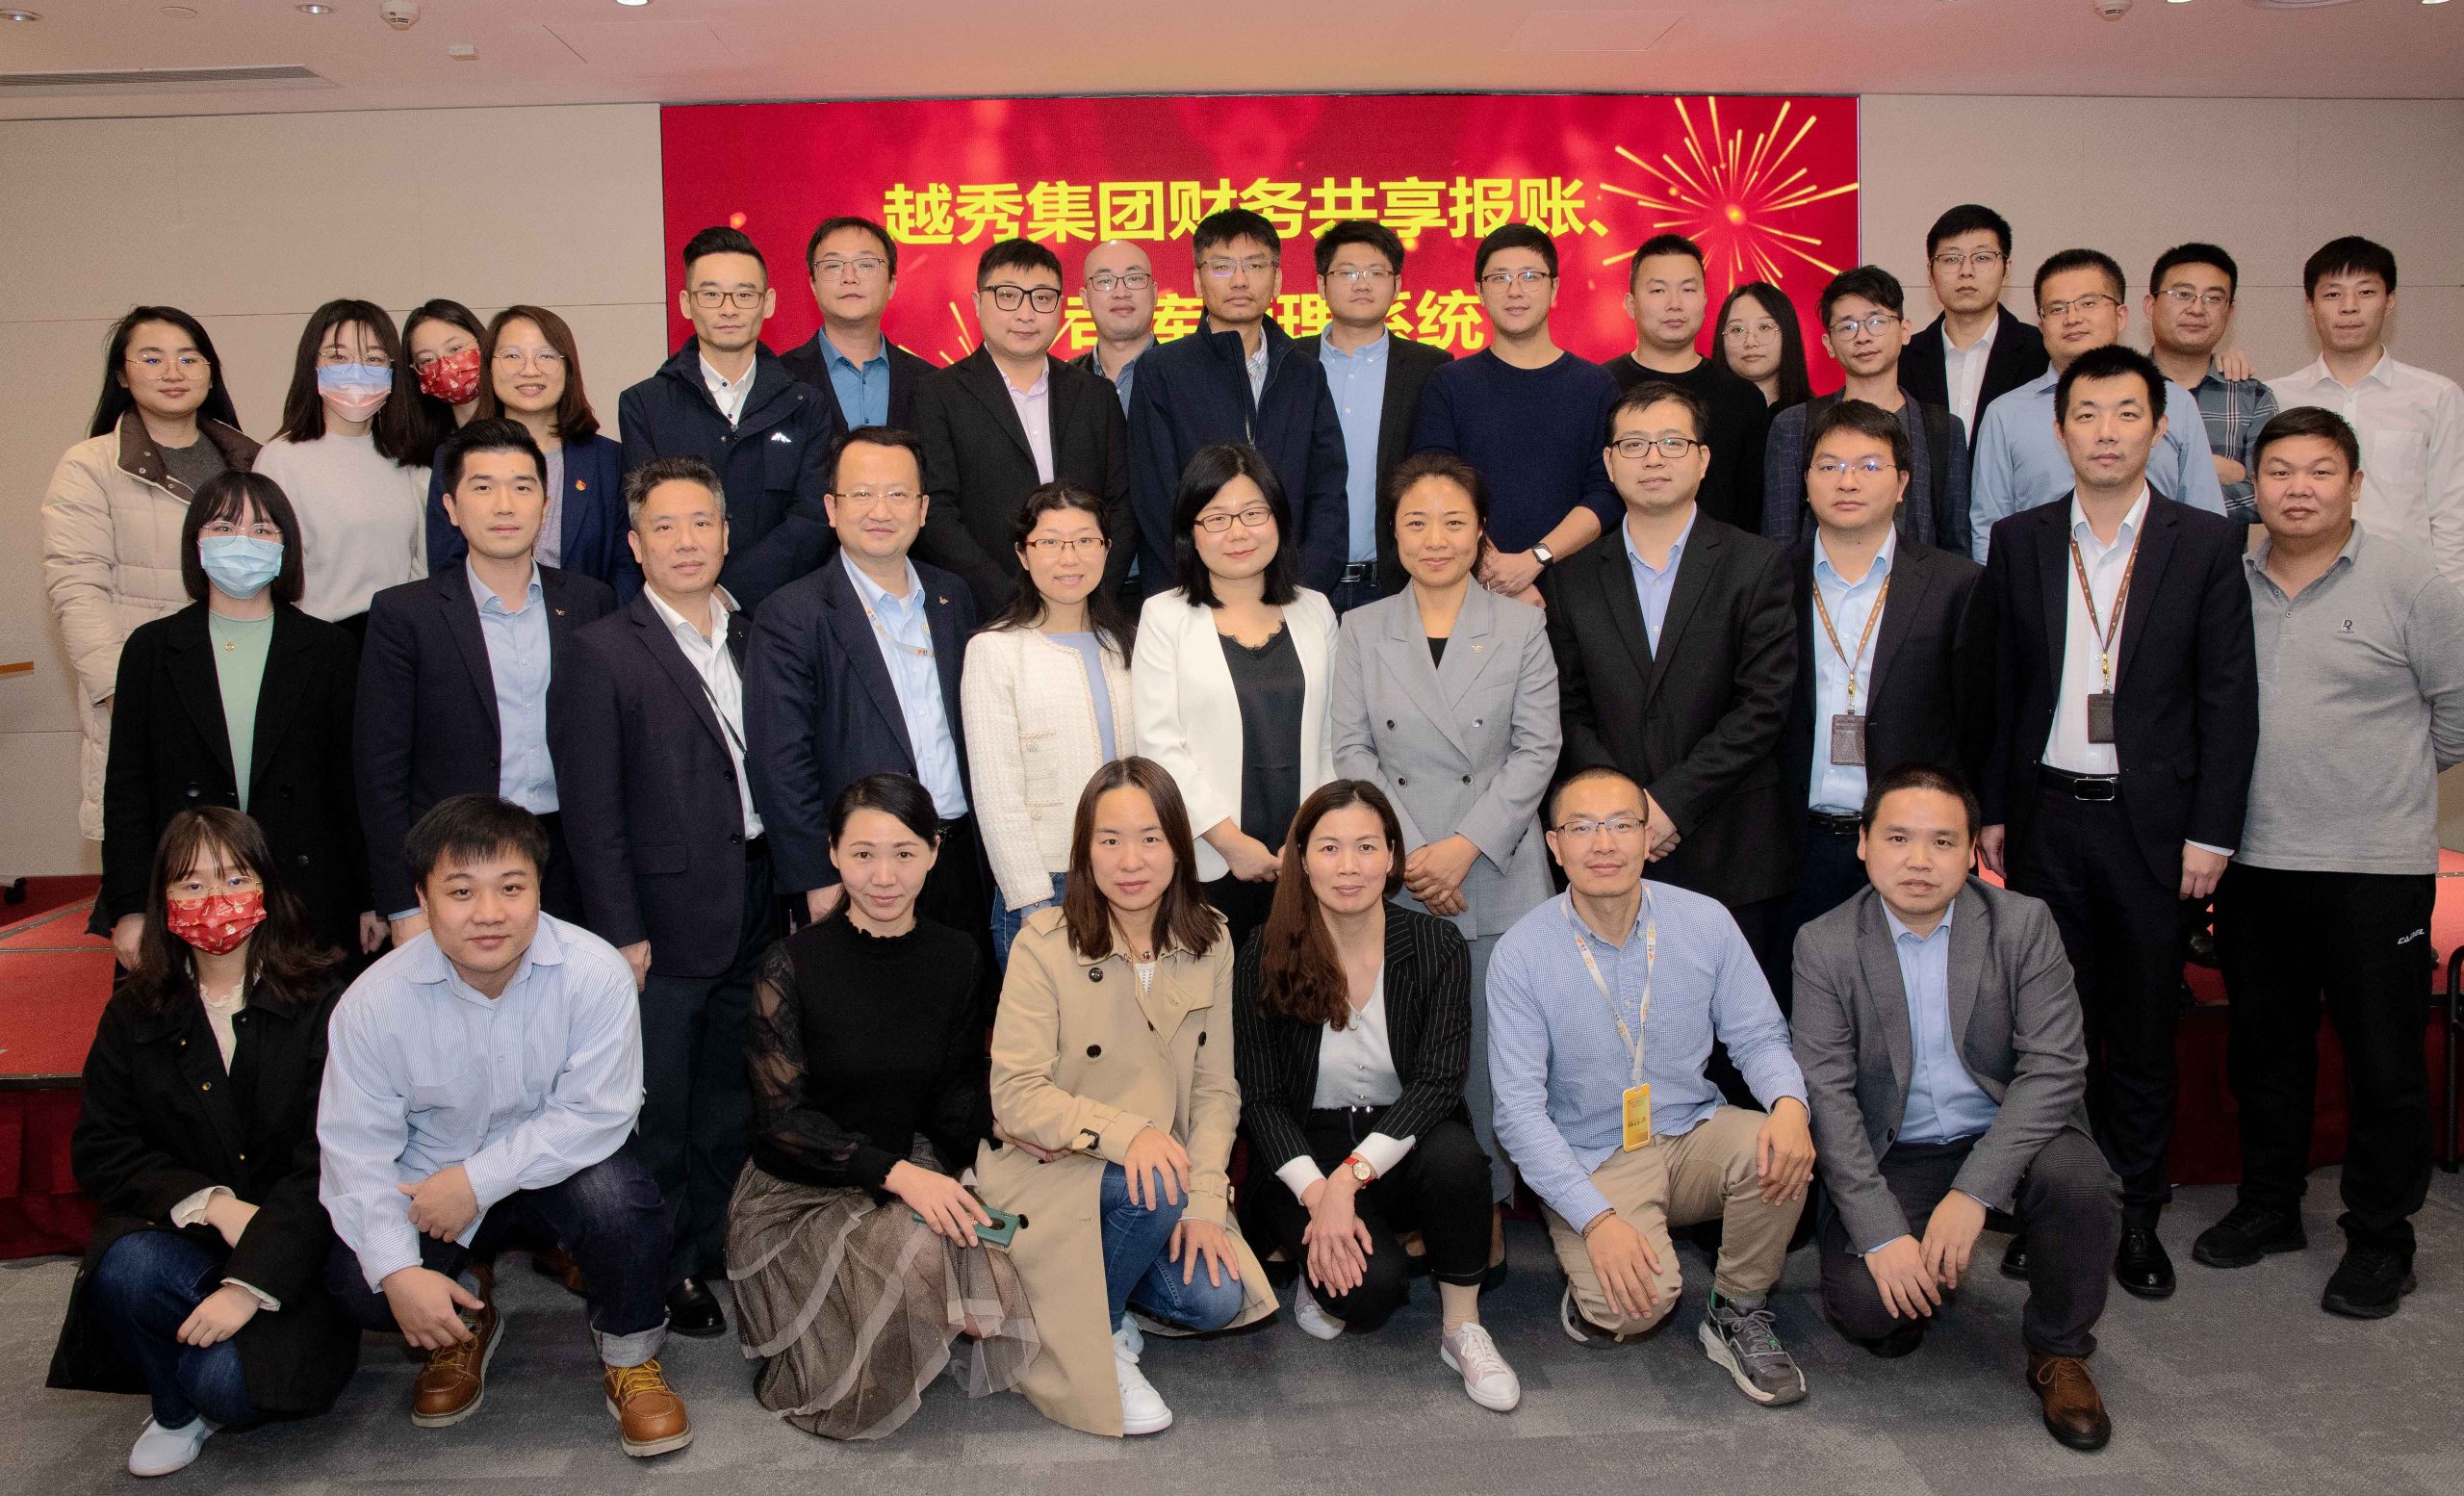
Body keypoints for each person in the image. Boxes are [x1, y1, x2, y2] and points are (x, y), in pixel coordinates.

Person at [1978, 343, 2258, 1302]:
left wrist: (2211, 834)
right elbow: (2003, 687)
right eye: (2087, 415)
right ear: (2060, 432)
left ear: (2159, 428)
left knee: (2139, 1032)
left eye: (2126, 413)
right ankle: (2056, 1208)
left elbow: (2227, 700)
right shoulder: (2020, 540)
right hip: (2046, 819)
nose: (2106, 432)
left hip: (2154, 831)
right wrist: (1993, 809)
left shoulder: (2204, 543)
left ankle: (2136, 1211)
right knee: (2049, 1036)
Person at [317, 795, 691, 1457]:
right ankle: (461, 1313)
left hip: (560, 1170)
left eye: (511, 888)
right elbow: (356, 1152)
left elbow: (598, 1112)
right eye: (461, 892)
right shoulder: (371, 1004)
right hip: (431, 1185)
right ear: (423, 898)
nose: (489, 913)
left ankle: (630, 1356)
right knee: (359, 1279)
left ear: (539, 888)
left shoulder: (593, 971)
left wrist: (476, 1180)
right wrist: (399, 1273)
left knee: (621, 1202)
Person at [2198, 407, 2464, 1319]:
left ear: (2353, 483)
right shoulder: (2226, 578)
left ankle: (2382, 1237)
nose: (2298, 489)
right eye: (2279, 471)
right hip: (2255, 860)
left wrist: (2385, 778)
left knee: (2383, 1061)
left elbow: (2457, 711)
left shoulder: (2407, 581)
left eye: (2319, 471)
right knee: (2264, 1050)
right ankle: (2270, 1205)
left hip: (2373, 867)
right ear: (2254, 485)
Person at [1790, 765, 2123, 1452]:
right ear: (1864, 843)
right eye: (1898, 838)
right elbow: (1828, 1098)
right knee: (1866, 1308)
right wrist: (1882, 1233)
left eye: (1942, 842)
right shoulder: (1824, 943)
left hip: (2008, 1135)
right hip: (1899, 1150)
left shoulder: (2021, 924)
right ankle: (1916, 1279)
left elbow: (2056, 1067)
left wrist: (1973, 1192)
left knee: (2080, 1182)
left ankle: (2059, 1350)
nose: (1919, 860)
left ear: (1972, 851)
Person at [1486, 767, 1815, 1405]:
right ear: (1555, 846)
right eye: (1582, 828)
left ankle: (1738, 1309)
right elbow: (1519, 1114)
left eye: (1621, 825)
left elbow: (1758, 1035)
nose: (1604, 844)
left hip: (1691, 1130)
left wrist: (1790, 1105)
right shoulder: (1523, 953)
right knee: (1632, 1311)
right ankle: (1592, 1254)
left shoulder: (1704, 921)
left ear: (1648, 837)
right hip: (1594, 1156)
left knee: (1778, 1145)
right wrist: (1597, 1220)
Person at [47, 809, 358, 1478]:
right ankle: (172, 1409)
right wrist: (213, 1204)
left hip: (296, 1251)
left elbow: (331, 1160)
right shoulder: (134, 1009)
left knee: (223, 1384)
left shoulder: (324, 1001)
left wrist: (249, 1284)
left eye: (235, 877)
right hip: (183, 1240)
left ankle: (206, 1368)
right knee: (125, 1269)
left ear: (268, 888)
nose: (214, 898)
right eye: (191, 883)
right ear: (162, 900)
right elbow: (102, 1147)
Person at [730, 772, 1040, 1439]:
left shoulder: (957, 955)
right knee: (927, 1261)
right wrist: (899, 1176)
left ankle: (878, 1312)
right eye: (863, 854)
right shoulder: (790, 962)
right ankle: (840, 1332)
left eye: (904, 853)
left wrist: (1006, 1128)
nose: (884, 876)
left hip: (906, 1161)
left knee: (993, 1287)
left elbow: (953, 1091)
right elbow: (781, 1123)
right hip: (802, 1188)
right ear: (833, 854)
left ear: (934, 851)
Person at [975, 758, 1277, 1437]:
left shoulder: (1212, 939)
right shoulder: (1042, 944)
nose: (1130, 860)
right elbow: (1014, 1095)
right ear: (1084, 850)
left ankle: (1081, 1285)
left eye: (1150, 838)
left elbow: (1216, 1089)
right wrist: (1129, 1135)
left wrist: (1206, 1203)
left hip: (1157, 1179)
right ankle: (1099, 1334)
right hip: (1054, 1167)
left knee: (1214, 1298)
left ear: (1178, 846)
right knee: (1157, 1180)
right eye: (1109, 840)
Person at [553, 455, 783, 1340]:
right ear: (635, 543)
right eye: (664, 526)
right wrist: (620, 928)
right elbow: (591, 808)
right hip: (659, 914)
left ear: (726, 534)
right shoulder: (601, 650)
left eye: (701, 523)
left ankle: (724, 1243)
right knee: (663, 1104)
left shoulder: (757, 635)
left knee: (732, 1092)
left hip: (757, 891)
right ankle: (670, 1265)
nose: (686, 541)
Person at [1232, 781, 1519, 1411]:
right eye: (1329, 848)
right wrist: (1320, 1193)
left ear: (1391, 855)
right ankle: (1315, 1264)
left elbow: (1439, 1081)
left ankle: (1462, 1328)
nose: (1349, 866)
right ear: (1302, 859)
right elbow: (1261, 1099)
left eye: (1366, 847)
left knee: (1459, 1158)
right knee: (1368, 1296)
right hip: (1305, 1149)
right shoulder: (1265, 951)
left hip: (1401, 1138)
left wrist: (1349, 1182)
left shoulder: (1436, 945)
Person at [1329, 451, 1558, 1232]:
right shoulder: (1361, 629)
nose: (1436, 539)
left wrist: (1461, 848)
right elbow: (1352, 750)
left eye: (1454, 522)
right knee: (1403, 1048)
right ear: (1392, 534)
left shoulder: (1522, 626)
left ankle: (1483, 1218)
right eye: (1417, 522)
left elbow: (1537, 749)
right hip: (1395, 874)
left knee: (1496, 1055)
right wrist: (1415, 854)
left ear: (1482, 530)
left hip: (1496, 867)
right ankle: (1404, 1209)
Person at [1545, 382, 1797, 989]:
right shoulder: (1572, 578)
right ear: (1609, 464)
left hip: (1731, 843)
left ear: (1703, 459)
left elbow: (1763, 705)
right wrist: (1625, 814)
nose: (1652, 458)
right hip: (1609, 853)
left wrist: (1669, 805)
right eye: (1634, 444)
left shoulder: (1756, 563)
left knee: (1735, 1029)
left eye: (1671, 442)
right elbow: (1567, 708)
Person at [94, 472, 374, 962]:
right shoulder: (151, 648)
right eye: (224, 527)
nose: (243, 541)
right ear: (196, 541)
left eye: (262, 529)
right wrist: (131, 908)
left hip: (307, 888)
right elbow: (127, 791)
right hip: (186, 886)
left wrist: (371, 897)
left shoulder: (330, 649)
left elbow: (352, 787)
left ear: (286, 547)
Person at [359, 419, 615, 939]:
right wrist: (402, 904)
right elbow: (379, 770)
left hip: (571, 860)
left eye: (522, 487)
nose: (504, 506)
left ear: (545, 506)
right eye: (482, 487)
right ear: (451, 508)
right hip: (455, 863)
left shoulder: (591, 603)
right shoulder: (405, 615)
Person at [747, 427, 989, 949]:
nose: (881, 510)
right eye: (861, 494)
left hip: (960, 861)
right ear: (831, 508)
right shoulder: (791, 615)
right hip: (859, 876)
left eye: (898, 494)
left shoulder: (952, 597)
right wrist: (817, 875)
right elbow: (780, 764)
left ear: (923, 509)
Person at [1779, 400, 1993, 985]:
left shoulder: (1956, 584)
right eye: (1829, 466)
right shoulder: (1767, 579)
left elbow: (1978, 719)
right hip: (1791, 844)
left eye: (1869, 466)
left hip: (1910, 849)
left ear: (1902, 484)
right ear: (1806, 483)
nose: (1847, 481)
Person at [44, 306, 259, 844]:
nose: (172, 372)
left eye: (188, 358)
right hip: (149, 693)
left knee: (248, 860)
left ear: (209, 371)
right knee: (160, 859)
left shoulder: (255, 463)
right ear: (122, 374)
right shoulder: (91, 465)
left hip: (245, 683)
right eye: (152, 358)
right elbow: (77, 588)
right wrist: (127, 697)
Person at [1131, 444, 1339, 947]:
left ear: (1278, 518)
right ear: (1191, 533)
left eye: (1253, 513)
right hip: (1209, 859)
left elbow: (1335, 737)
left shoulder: (1316, 610)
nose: (1238, 532)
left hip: (1305, 858)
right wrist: (1231, 843)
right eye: (1216, 518)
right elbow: (1159, 745)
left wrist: (1311, 835)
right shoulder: (1164, 616)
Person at [618, 224, 843, 611]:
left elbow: (811, 518)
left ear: (767, 302)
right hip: (680, 609)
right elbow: (649, 516)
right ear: (686, 303)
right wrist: (698, 595)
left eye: (744, 294)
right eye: (711, 294)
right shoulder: (644, 405)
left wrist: (729, 593)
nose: (728, 309)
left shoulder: (806, 404)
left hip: (784, 611)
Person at [960, 483, 1137, 966]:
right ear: (1023, 553)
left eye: (1085, 540)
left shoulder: (1130, 644)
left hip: (1132, 870)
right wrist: (1031, 899)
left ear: (1107, 549)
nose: (1069, 557)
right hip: (1048, 878)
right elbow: (996, 792)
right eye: (1050, 542)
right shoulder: (995, 651)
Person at [1127, 208, 1348, 595]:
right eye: (1222, 267)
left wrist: (1299, 588)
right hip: (1191, 595)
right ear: (1197, 281)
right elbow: (1155, 497)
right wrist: (1205, 588)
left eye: (1255, 265)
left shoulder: (1304, 372)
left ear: (1277, 280)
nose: (1240, 280)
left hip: (1290, 593)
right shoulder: (1162, 370)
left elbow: (1327, 491)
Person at [914, 238, 1135, 613]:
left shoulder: (1096, 395)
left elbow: (1123, 507)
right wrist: (1011, 601)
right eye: (1008, 296)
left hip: (1089, 611)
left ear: (1060, 306)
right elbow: (936, 512)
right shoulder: (937, 394)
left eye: (1042, 298)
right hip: (985, 612)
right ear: (977, 302)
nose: (1026, 314)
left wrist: (1091, 596)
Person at [1408, 223, 1622, 607]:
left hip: (1578, 591)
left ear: (1554, 288)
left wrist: (1535, 560)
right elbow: (1434, 485)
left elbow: (1607, 493)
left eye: (1530, 277)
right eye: (1500, 278)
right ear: (1479, 291)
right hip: (1472, 588)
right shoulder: (1450, 383)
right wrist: (1499, 572)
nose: (1515, 291)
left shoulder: (1595, 385)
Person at [1967, 248, 2227, 558]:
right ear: (2041, 326)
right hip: (2042, 582)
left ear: (2121, 315)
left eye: (2089, 303)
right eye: (2057, 309)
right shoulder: (2005, 414)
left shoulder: (2176, 404)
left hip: (2157, 577)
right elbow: (1989, 530)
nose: (2073, 318)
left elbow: (2206, 518)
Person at [2269, 236, 2464, 594]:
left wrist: (2452, 604)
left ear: (2389, 301)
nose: (2349, 307)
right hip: (2300, 590)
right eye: (2332, 294)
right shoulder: (2275, 397)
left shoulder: (2436, 396)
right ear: (2310, 305)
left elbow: (2453, 514)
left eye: (2366, 292)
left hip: (2405, 591)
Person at [425, 304, 639, 597]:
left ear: (568, 368)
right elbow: (446, 570)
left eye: (546, 356)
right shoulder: (456, 455)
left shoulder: (608, 460)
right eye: (512, 356)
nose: (529, 370)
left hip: (592, 622)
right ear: (488, 366)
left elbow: (626, 568)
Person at [1293, 219, 1451, 610]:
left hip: (1396, 582)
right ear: (1321, 284)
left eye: (1376, 273)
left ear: (1396, 285)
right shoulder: (1289, 363)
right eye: (1347, 273)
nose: (1361, 284)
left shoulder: (1431, 368)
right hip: (1300, 584)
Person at [1762, 265, 1971, 554]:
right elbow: (1779, 544)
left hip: (1917, 581)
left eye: (1876, 321)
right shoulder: (1794, 426)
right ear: (1829, 344)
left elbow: (1956, 545)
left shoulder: (1943, 429)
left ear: (1905, 331)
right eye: (1847, 327)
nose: (1862, 337)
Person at [252, 299, 431, 633]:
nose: (357, 370)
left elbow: (421, 564)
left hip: (395, 635)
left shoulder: (407, 458)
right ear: (312, 363)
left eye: (374, 358)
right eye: (338, 357)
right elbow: (268, 570)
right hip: (317, 636)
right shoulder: (281, 458)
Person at [1607, 234, 1771, 534]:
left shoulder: (1742, 397)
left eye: (1688, 289)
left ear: (1705, 301)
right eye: (1658, 290)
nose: (1675, 304)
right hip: (1617, 560)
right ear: (1631, 304)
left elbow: (1753, 510)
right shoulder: (1600, 388)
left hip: (1723, 562)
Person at [2144, 244, 2277, 525]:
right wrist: (2212, 471)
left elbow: (2269, 496)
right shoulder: (2117, 388)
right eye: (2182, 295)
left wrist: (2160, 492)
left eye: (2213, 298)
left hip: (2218, 554)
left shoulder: (2252, 396)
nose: (2197, 309)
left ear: (2229, 312)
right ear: (2150, 305)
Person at [1899, 204, 2048, 447]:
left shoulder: (2041, 352)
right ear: (1930, 273)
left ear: (2006, 269)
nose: (1966, 271)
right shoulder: (1902, 358)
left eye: (1982, 258)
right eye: (1951, 259)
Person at [780, 215, 935, 432]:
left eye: (865, 265)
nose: (849, 277)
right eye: (833, 266)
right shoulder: (778, 378)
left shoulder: (930, 383)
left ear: (891, 284)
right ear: (813, 285)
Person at [1074, 239, 1158, 416]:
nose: (1121, 293)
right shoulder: (1061, 384)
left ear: (1155, 293)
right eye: (1105, 281)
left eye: (1134, 279)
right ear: (1085, 299)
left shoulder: (1187, 376)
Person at [1714, 281, 1814, 411]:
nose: (1750, 342)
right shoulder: (1700, 413)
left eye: (1764, 327)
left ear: (1788, 334)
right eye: (1737, 330)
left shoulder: (1815, 415)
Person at [403, 298, 488, 448]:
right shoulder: (421, 446)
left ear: (482, 343)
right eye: (427, 359)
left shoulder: (519, 428)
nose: (444, 366)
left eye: (455, 349)